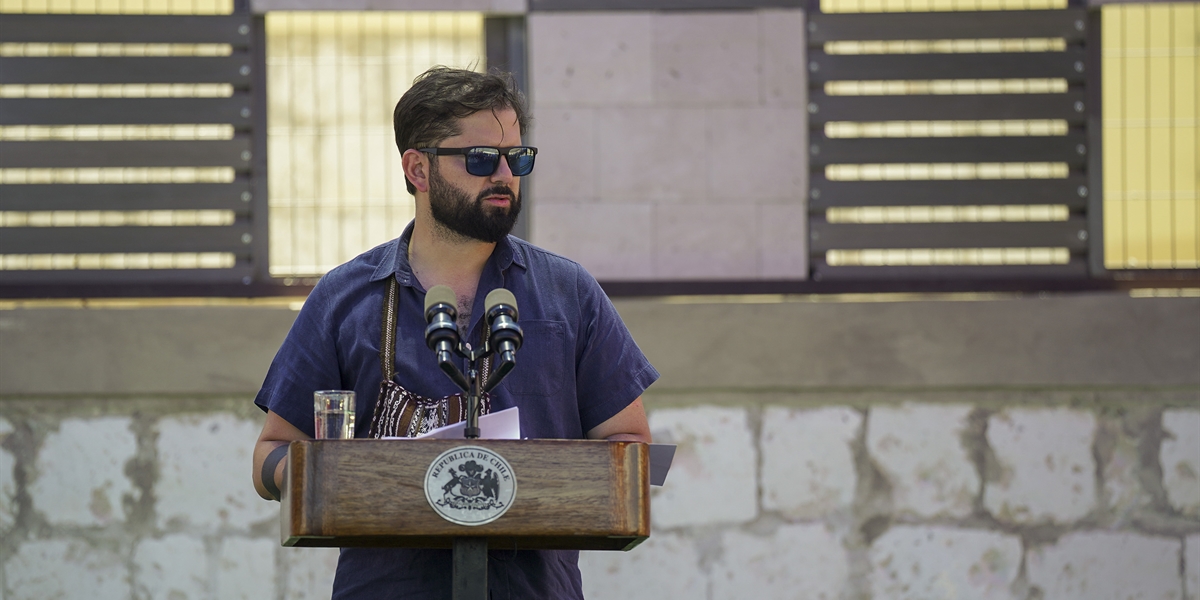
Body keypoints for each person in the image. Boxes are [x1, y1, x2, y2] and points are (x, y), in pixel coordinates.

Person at [250, 66, 659, 599]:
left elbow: (628, 444)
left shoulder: (568, 291)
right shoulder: (343, 298)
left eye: (517, 158)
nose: (504, 175)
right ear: (417, 168)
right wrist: (327, 476)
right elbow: (271, 454)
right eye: (481, 158)